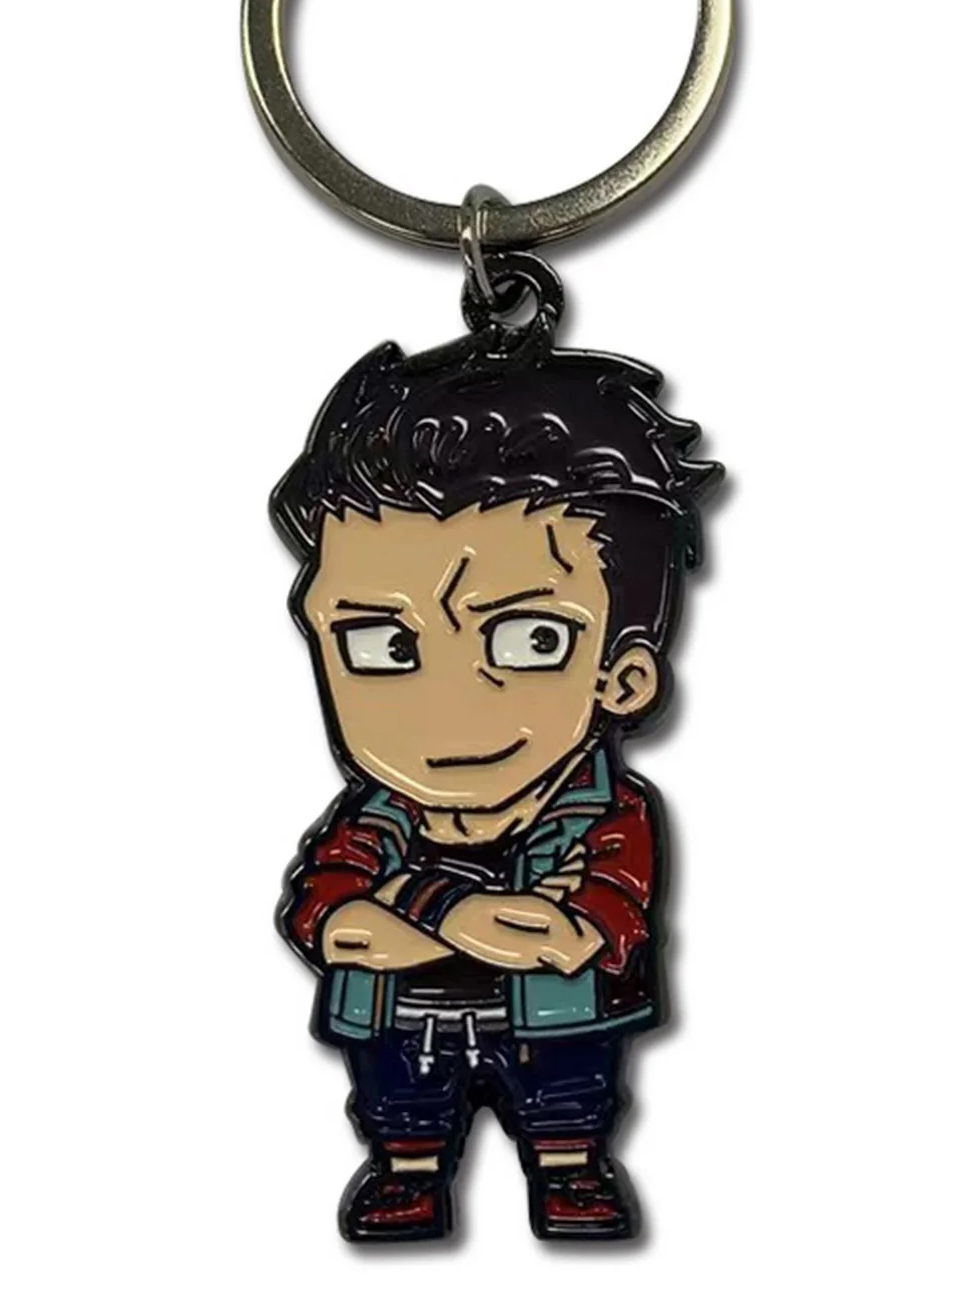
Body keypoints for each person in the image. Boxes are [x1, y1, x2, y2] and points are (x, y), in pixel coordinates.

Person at [272, 290, 720, 1241]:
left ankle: (569, 1169)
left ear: (624, 678)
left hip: (557, 1026)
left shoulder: (610, 813)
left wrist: (415, 911)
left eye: (527, 639)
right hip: (401, 1029)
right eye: (382, 646)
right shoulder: (370, 817)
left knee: (568, 1094)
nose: (447, 704)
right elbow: (331, 919)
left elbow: (575, 935)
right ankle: (406, 1169)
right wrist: (461, 920)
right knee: (400, 1097)